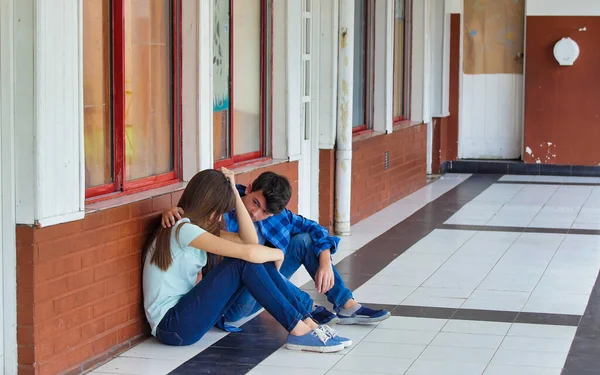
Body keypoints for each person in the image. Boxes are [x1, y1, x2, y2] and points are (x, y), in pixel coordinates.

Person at [143, 168, 351, 353]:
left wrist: (235, 191)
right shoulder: (184, 230)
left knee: (249, 259)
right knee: (242, 261)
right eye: (218, 211)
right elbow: (249, 253)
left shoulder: (196, 229)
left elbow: (248, 241)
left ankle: (306, 322)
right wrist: (278, 254)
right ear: (206, 205)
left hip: (185, 321)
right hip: (172, 327)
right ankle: (299, 328)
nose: (218, 218)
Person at [162, 171, 390, 326]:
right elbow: (190, 217)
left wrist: (325, 263)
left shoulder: (280, 217)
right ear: (249, 188)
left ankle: (346, 304)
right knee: (252, 262)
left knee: (304, 240)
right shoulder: (223, 208)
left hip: (266, 289)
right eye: (255, 203)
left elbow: (318, 231)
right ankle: (306, 307)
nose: (255, 214)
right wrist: (170, 212)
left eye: (266, 213)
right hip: (232, 303)